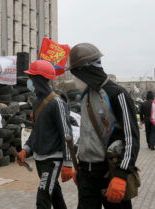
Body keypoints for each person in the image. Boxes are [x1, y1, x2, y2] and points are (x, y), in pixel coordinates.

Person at [68, 43, 140, 209]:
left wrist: (121, 175)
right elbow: (87, 134)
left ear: (85, 70)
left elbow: (131, 138)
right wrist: (80, 166)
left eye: (75, 74)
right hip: (86, 174)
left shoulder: (117, 94)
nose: (75, 79)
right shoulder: (85, 95)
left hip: (111, 172)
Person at [17, 60, 74, 209]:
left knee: (43, 198)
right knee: (54, 193)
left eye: (32, 78)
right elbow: (36, 130)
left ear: (39, 79)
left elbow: (66, 133)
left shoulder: (57, 103)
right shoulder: (37, 102)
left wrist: (68, 163)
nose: (30, 82)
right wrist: (26, 149)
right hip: (39, 158)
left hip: (52, 159)